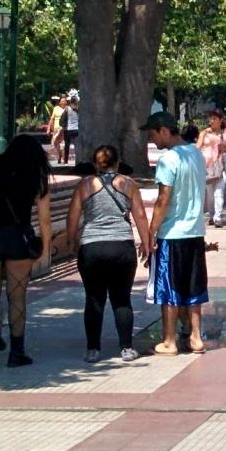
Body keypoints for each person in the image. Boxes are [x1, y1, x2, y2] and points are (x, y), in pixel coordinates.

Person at [0, 136, 51, 369]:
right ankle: (16, 353)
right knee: (17, 298)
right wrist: (44, 249)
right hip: (18, 239)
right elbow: (44, 219)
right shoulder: (37, 176)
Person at [68, 143, 149, 360]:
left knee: (94, 299)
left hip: (91, 247)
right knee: (122, 298)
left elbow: (73, 217)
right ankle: (127, 348)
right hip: (122, 247)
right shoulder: (128, 184)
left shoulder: (84, 185)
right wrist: (146, 242)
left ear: (95, 164)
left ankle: (93, 350)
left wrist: (72, 241)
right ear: (118, 163)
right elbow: (140, 215)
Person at [143, 111, 211, 354]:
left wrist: (151, 231)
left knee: (169, 287)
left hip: (172, 233)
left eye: (152, 134)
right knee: (194, 286)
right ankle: (196, 337)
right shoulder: (196, 154)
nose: (152, 140)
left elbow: (164, 199)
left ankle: (169, 340)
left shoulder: (168, 159)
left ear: (163, 130)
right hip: (194, 231)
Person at [199, 109, 226, 224]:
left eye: (214, 118)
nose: (211, 121)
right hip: (207, 167)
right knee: (210, 194)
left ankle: (218, 217)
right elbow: (198, 146)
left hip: (221, 166)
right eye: (210, 118)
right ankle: (212, 216)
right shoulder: (204, 133)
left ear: (220, 120)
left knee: (218, 192)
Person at [62, 92, 81, 166]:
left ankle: (66, 161)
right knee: (77, 145)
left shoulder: (67, 108)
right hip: (77, 129)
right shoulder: (79, 108)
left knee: (67, 145)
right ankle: (78, 160)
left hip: (68, 129)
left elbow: (63, 118)